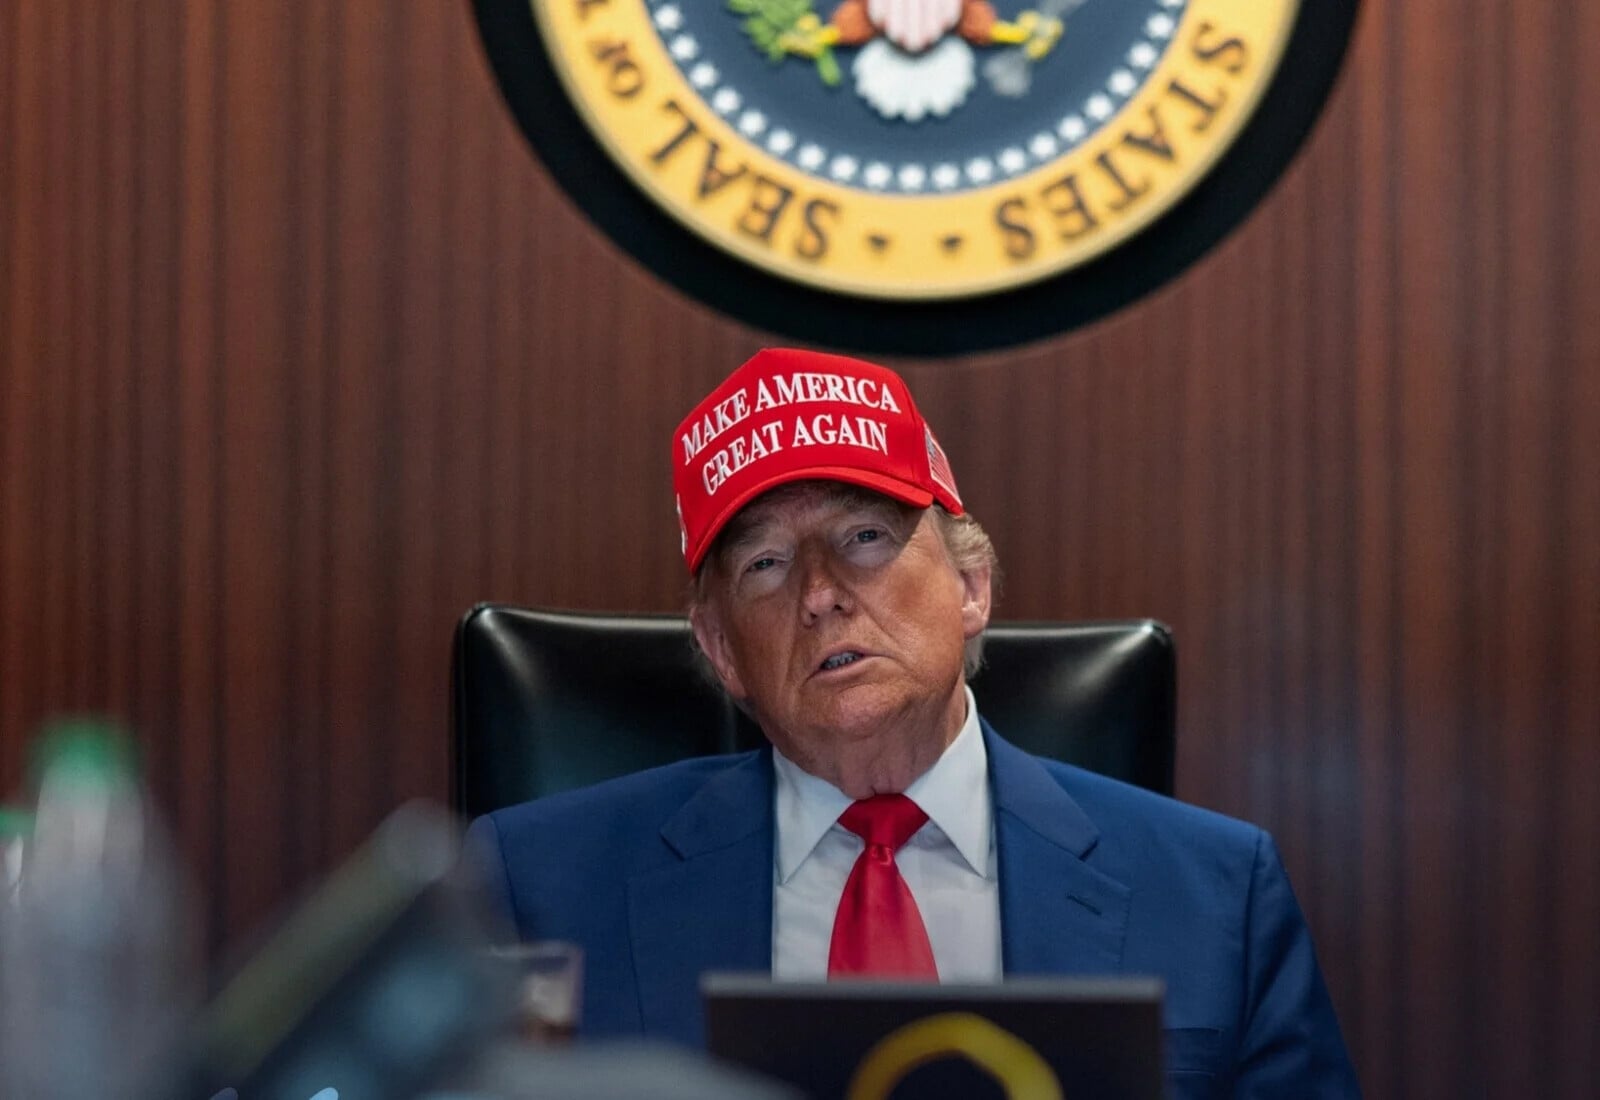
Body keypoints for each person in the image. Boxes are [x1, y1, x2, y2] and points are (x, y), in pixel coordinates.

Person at [466, 347, 1359, 1095]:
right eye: (766, 563)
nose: (820, 594)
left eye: (865, 537)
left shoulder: (1217, 895)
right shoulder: (537, 888)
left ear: (970, 587)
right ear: (721, 649)